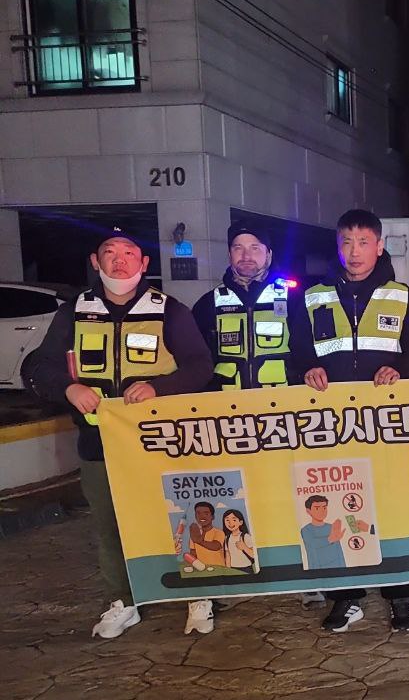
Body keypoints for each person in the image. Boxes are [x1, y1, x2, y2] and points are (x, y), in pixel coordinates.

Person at [24, 229, 213, 639]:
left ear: (144, 263)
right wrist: (69, 389)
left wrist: (159, 388)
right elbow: (39, 366)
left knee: (178, 517)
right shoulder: (75, 311)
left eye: (129, 253)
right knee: (110, 525)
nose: (119, 260)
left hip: (161, 442)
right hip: (100, 443)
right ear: (96, 262)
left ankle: (198, 595)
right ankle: (124, 600)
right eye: (109, 253)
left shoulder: (169, 310)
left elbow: (200, 365)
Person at [288, 208, 409, 633]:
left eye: (364, 242)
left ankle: (401, 594)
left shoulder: (399, 295)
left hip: (385, 423)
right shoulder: (313, 295)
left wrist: (399, 369)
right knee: (338, 503)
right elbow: (298, 349)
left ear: (379, 246)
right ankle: (346, 597)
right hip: (334, 422)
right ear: (338, 246)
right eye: (347, 242)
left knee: (393, 505)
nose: (354, 252)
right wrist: (307, 370)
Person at [190, 219, 299, 631]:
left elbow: (308, 353)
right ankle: (229, 573)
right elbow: (194, 362)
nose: (247, 254)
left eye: (255, 247)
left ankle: (300, 575)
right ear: (229, 253)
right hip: (227, 420)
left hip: (279, 418)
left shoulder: (293, 297)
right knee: (231, 498)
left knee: (283, 495)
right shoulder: (208, 304)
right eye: (238, 247)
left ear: (268, 254)